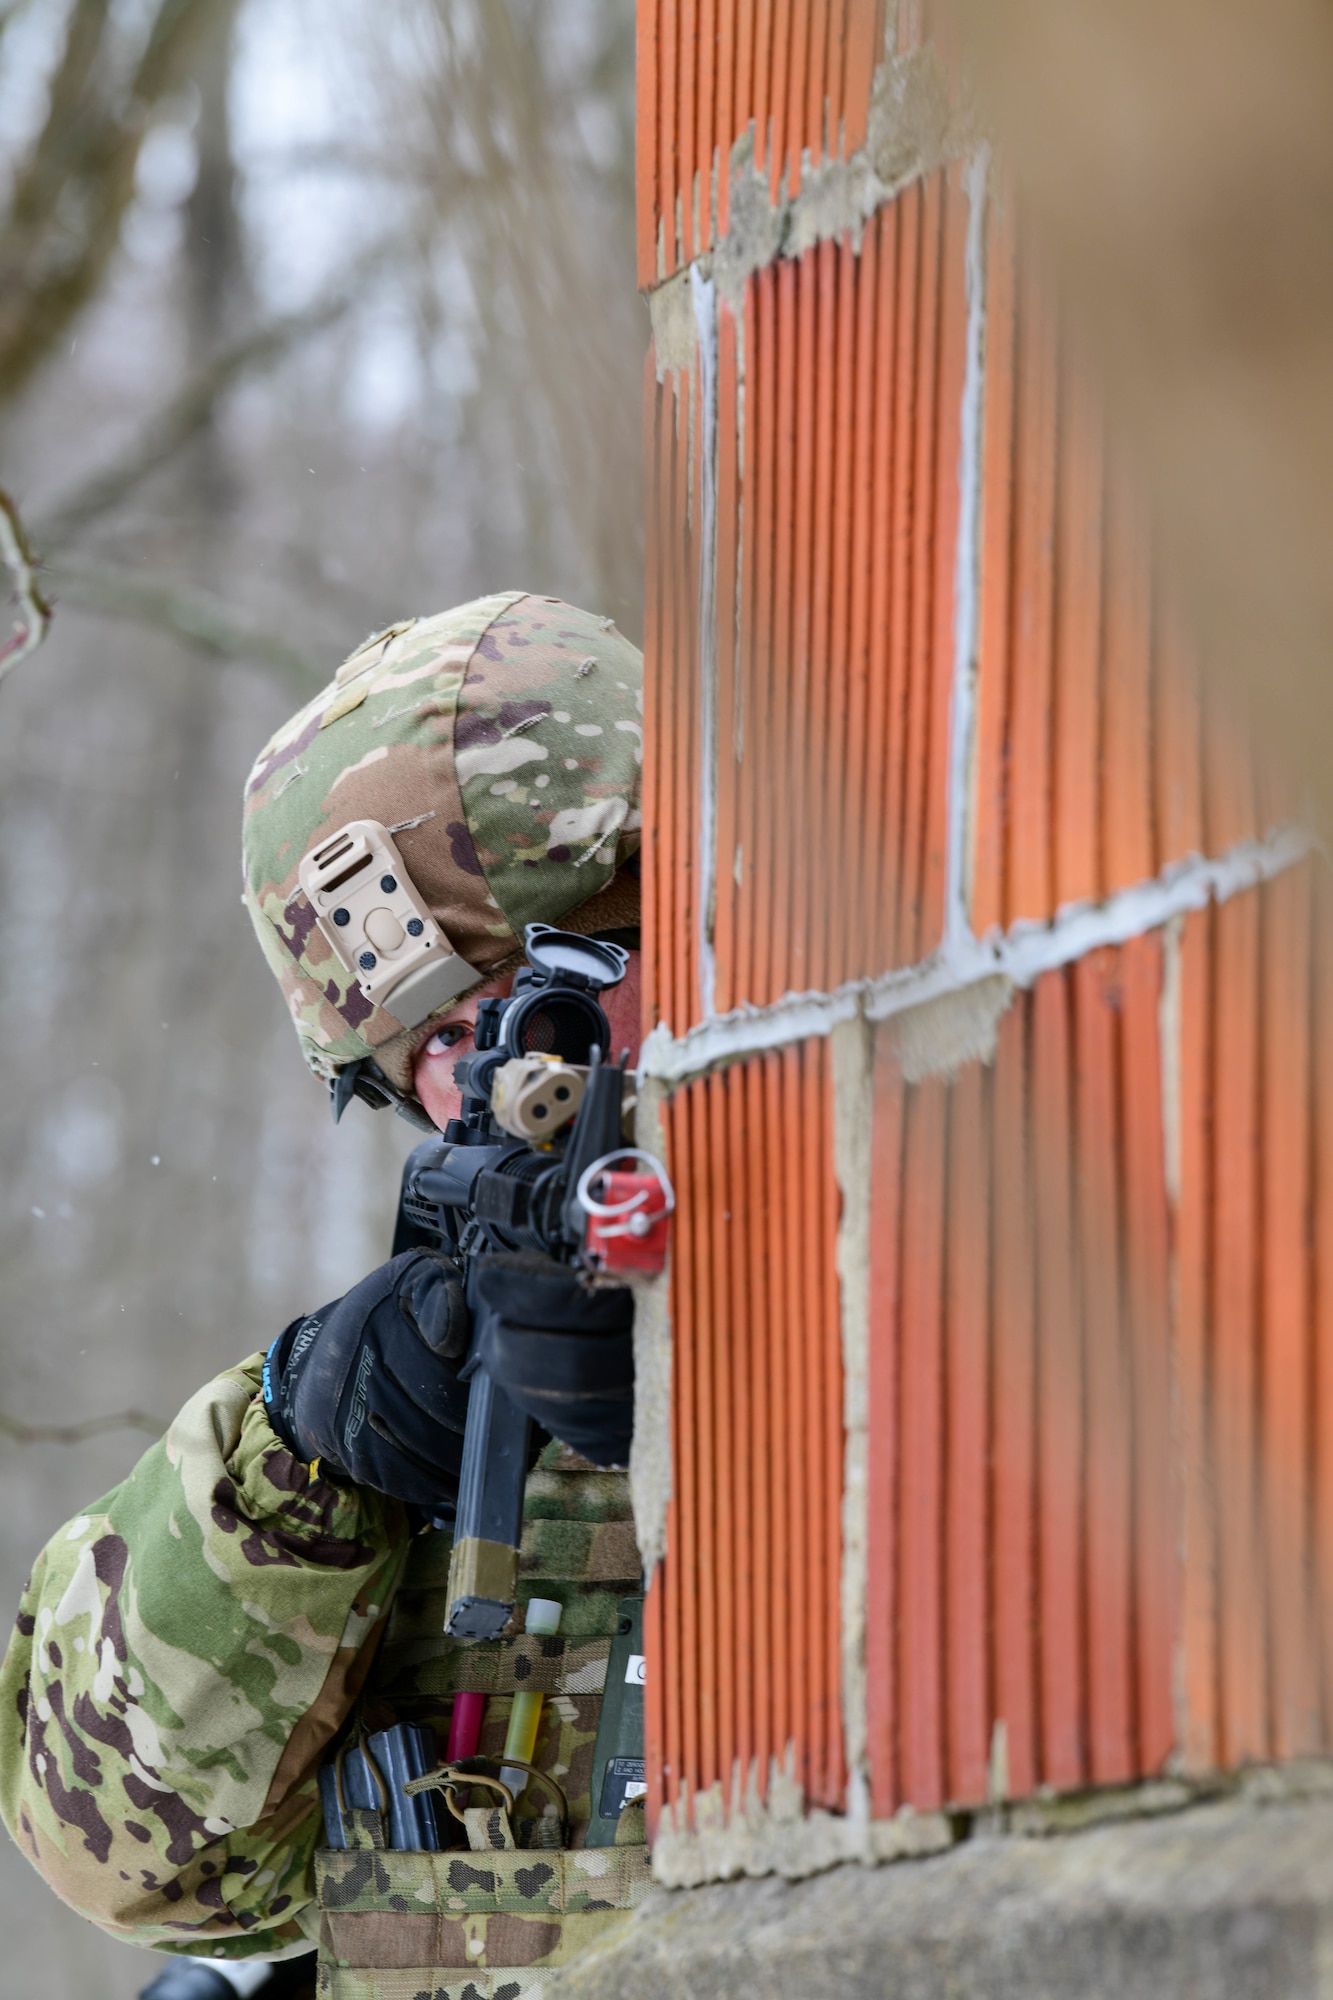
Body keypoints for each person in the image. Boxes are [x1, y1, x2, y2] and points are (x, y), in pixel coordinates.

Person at [0, 592, 646, 1975]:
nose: (475, 1090)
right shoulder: (431, 1429)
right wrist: (308, 1450)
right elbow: (122, 1857)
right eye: (412, 1058)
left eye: (520, 1007)